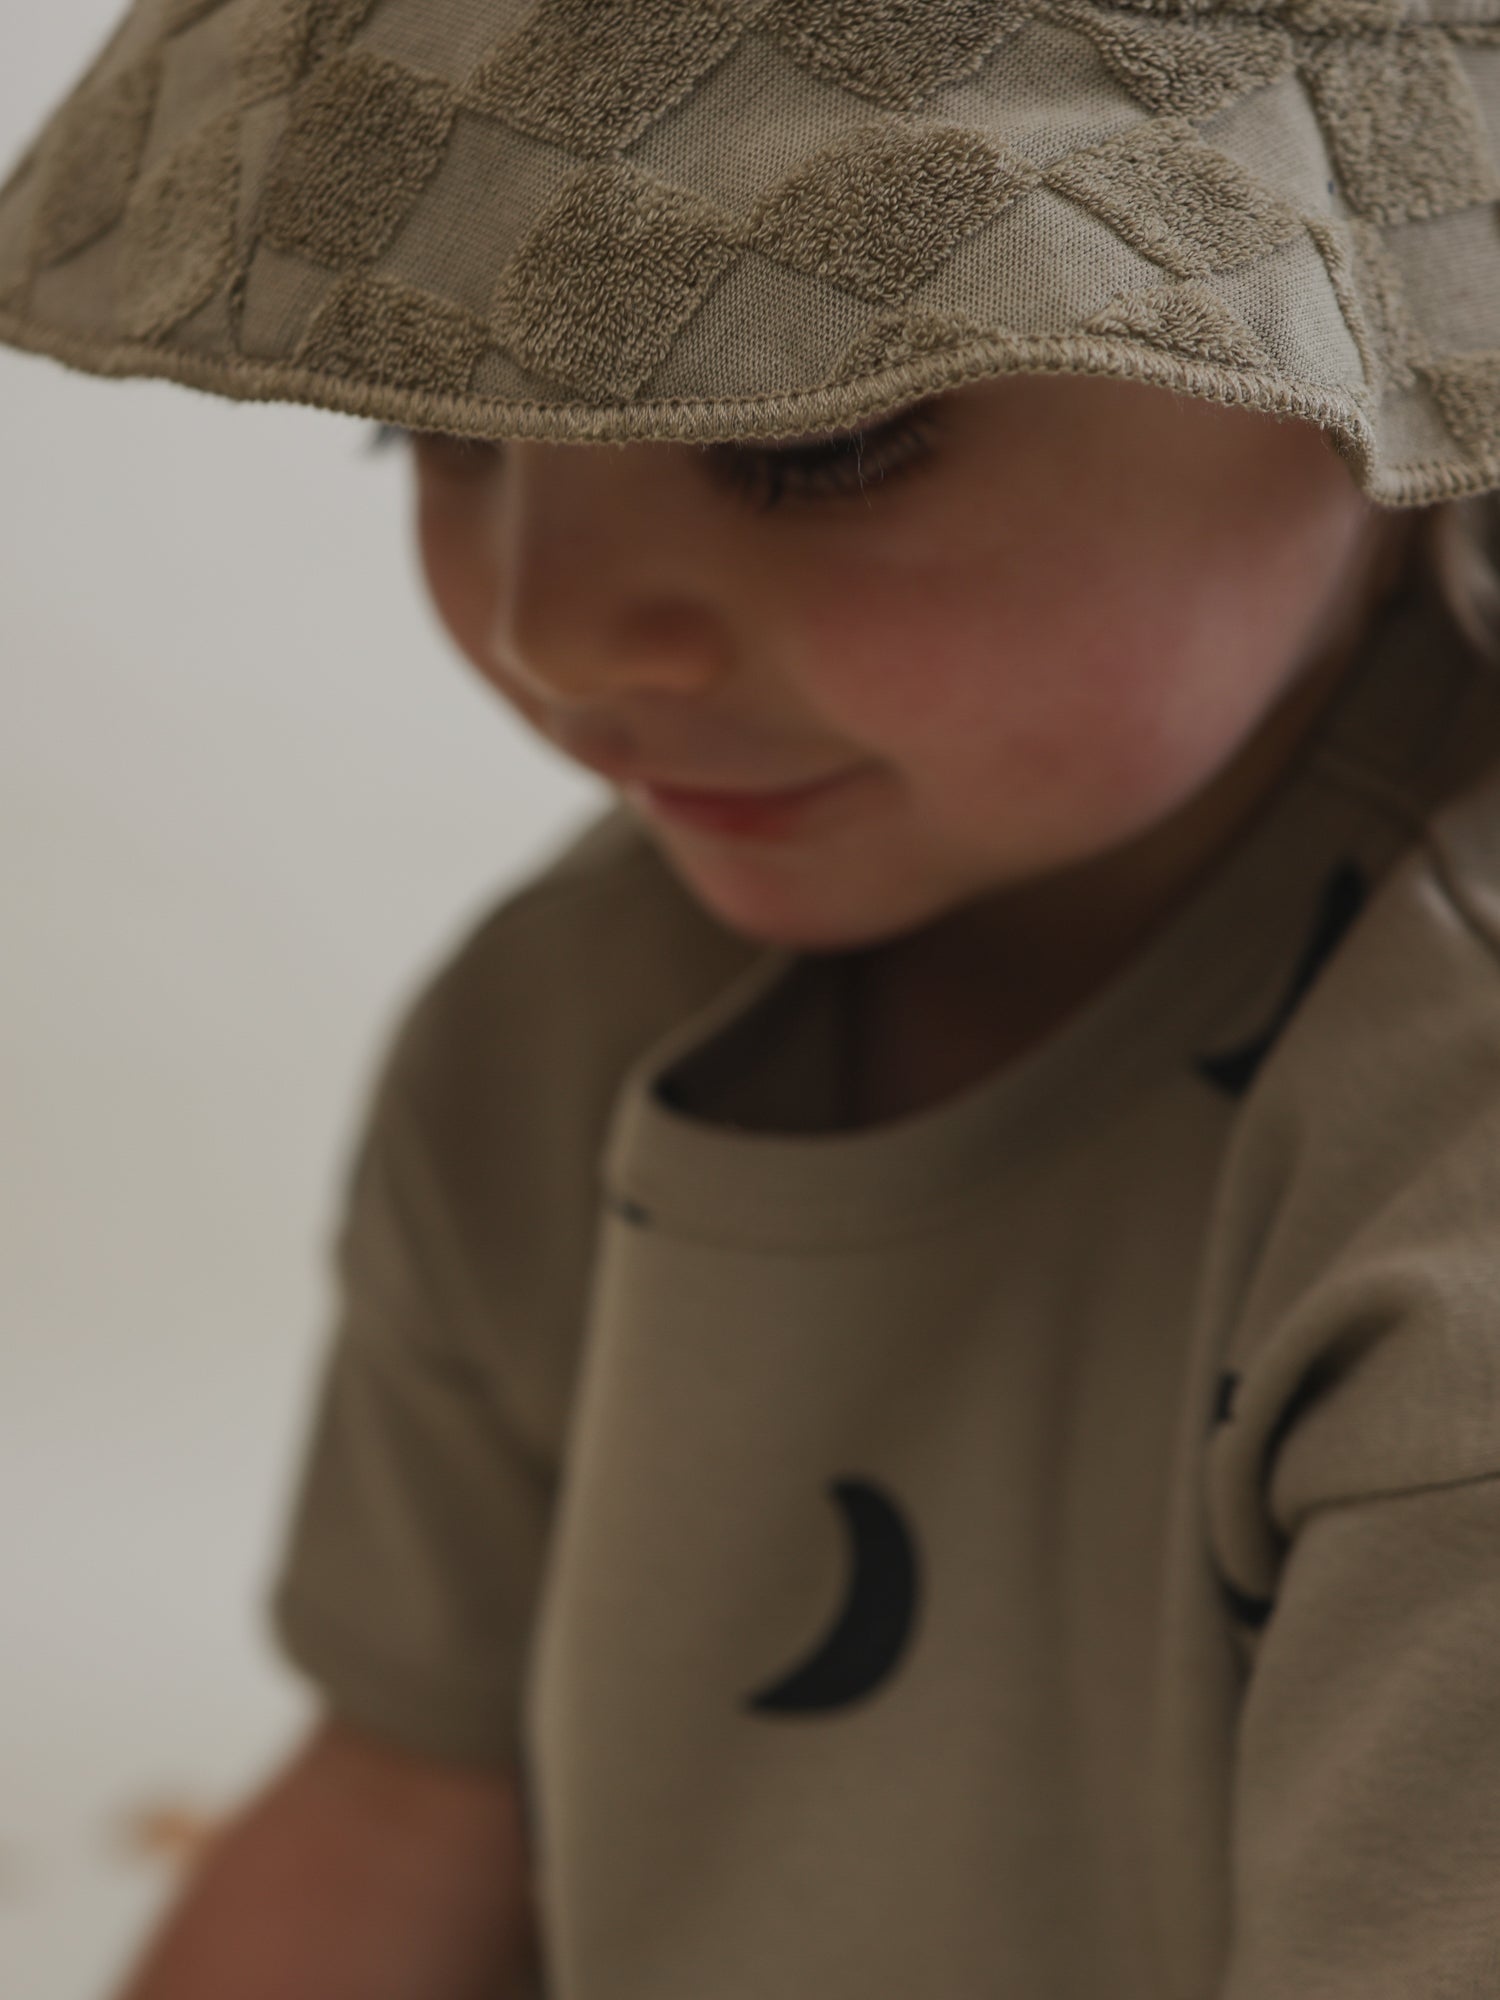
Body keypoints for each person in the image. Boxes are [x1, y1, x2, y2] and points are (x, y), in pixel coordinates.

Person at [4, 5, 1500, 1995]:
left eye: (817, 438)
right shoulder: (567, 1025)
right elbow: (408, 1803)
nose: (554, 625)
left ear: (1373, 331)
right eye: (439, 424)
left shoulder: (1446, 1155)